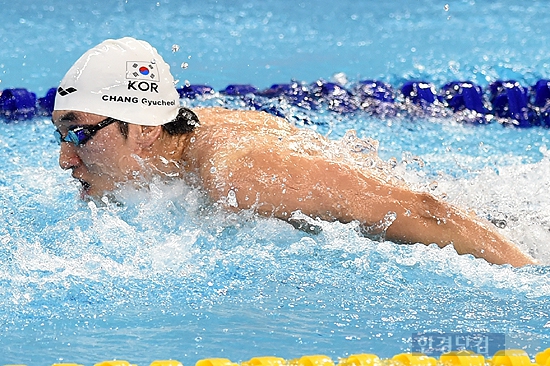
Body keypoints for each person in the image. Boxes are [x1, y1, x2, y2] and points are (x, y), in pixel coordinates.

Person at [52, 37, 536, 267]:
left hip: (507, 228)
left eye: (77, 135)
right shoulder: (166, 149)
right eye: (59, 136)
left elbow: (426, 213)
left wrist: (531, 282)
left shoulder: (239, 176)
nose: (64, 160)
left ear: (145, 129)